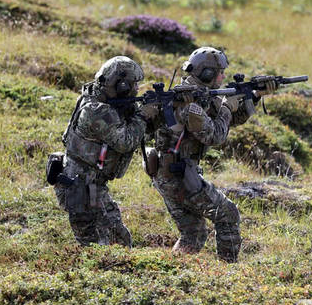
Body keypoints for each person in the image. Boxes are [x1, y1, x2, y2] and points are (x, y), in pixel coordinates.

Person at [143, 47, 278, 262]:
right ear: (206, 74)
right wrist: (226, 109)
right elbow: (214, 135)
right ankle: (227, 271)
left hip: (170, 173)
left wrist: (254, 95)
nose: (223, 76)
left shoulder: (199, 93)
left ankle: (173, 271)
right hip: (178, 176)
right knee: (227, 214)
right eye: (220, 72)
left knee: (193, 234)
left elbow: (231, 119)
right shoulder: (189, 102)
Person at [54, 56, 157, 247]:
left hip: (90, 185)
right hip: (82, 188)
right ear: (122, 86)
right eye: (134, 85)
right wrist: (143, 115)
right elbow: (126, 141)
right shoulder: (96, 111)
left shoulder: (102, 100)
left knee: (118, 240)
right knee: (99, 245)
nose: (136, 89)